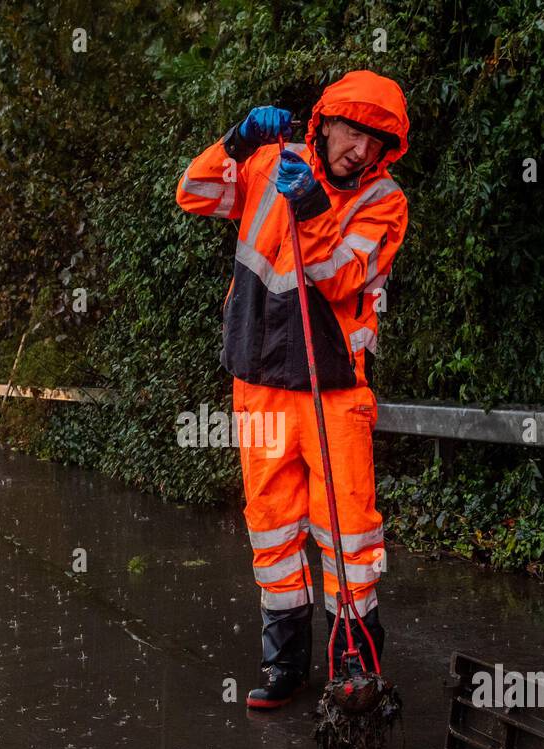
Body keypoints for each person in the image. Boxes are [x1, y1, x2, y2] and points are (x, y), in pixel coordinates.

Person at [175, 70, 410, 709]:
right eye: (352, 131)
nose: (359, 149)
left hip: (332, 392)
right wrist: (235, 140)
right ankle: (285, 666)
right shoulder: (275, 164)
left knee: (349, 534)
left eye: (375, 141)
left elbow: (340, 278)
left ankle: (355, 667)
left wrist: (310, 205)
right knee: (273, 528)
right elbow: (193, 192)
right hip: (258, 385)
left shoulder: (385, 202)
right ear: (325, 123)